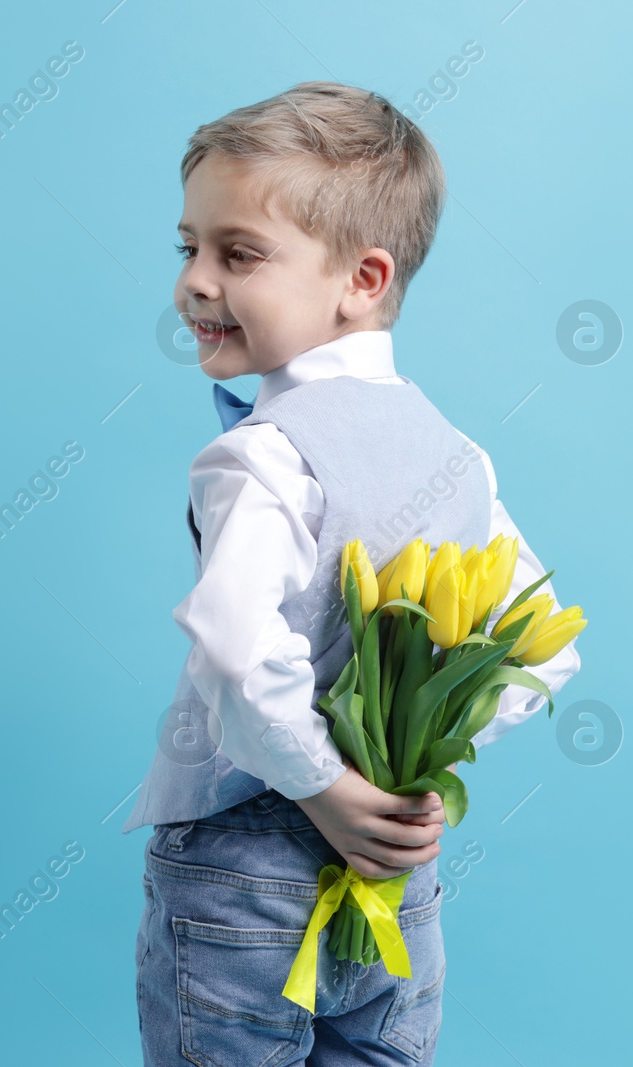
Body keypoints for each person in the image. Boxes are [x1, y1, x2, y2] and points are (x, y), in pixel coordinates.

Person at [122, 80, 583, 1065]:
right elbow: (546, 642)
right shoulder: (457, 454)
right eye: (187, 247)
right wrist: (409, 770)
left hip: (244, 871)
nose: (194, 282)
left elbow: (238, 647)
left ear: (362, 278)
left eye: (237, 253)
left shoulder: (263, 455)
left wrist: (327, 785)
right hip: (394, 882)